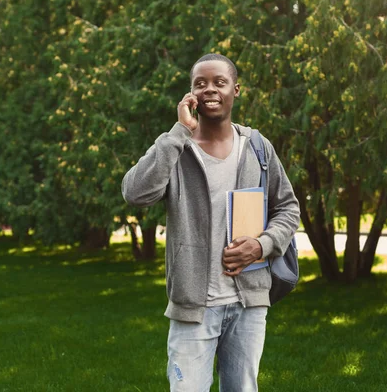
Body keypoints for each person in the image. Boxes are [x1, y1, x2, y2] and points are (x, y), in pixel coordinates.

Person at [122, 53, 300, 391]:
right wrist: (178, 132)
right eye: (200, 83)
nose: (210, 89)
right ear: (191, 95)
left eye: (219, 82)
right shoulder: (177, 148)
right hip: (193, 307)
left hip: (248, 304)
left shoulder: (257, 147)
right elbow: (135, 192)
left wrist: (260, 246)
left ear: (236, 89)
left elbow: (288, 208)